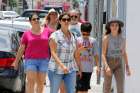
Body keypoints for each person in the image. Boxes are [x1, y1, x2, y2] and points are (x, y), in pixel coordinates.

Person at [12, 13, 51, 93]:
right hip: (30, 60)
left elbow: (55, 40)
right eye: (34, 19)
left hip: (44, 60)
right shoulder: (26, 34)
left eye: (37, 18)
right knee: (31, 82)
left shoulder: (47, 31)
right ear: (30, 22)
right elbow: (22, 48)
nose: (36, 20)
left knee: (40, 83)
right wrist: (16, 61)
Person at [48, 12, 82, 93]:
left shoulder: (74, 36)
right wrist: (62, 66)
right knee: (54, 91)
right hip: (56, 69)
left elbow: (76, 54)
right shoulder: (54, 35)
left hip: (70, 68)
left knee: (71, 91)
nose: (66, 21)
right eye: (64, 20)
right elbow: (53, 53)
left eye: (68, 19)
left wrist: (79, 68)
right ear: (60, 21)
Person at [102, 18, 131, 93]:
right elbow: (103, 54)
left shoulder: (122, 38)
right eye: (112, 25)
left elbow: (124, 52)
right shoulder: (106, 38)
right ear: (109, 27)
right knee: (107, 87)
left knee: (120, 87)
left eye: (116, 25)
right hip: (109, 62)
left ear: (119, 27)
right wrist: (106, 66)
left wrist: (127, 66)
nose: (114, 27)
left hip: (119, 63)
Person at [76, 22, 100, 93]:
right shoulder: (77, 40)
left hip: (88, 69)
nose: (86, 36)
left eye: (88, 34)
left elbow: (96, 55)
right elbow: (75, 54)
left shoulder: (93, 41)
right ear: (81, 31)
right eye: (84, 34)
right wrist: (80, 49)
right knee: (79, 90)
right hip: (78, 69)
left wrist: (98, 67)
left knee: (85, 90)